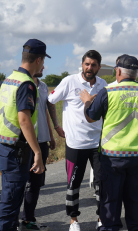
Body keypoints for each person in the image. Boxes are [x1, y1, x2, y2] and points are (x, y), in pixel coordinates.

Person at [80, 54, 138, 231]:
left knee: (110, 200)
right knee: (137, 200)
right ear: (136, 73)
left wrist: (87, 102)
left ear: (117, 71)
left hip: (113, 158)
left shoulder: (108, 92)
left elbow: (91, 118)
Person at [48, 50, 107, 231]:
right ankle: (74, 220)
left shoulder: (103, 84)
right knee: (73, 184)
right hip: (75, 143)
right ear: (82, 64)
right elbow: (50, 100)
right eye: (87, 64)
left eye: (94, 65)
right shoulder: (69, 82)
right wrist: (57, 126)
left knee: (101, 183)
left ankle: (101, 218)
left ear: (99, 67)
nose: (89, 68)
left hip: (97, 143)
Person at [0, 39, 48, 231]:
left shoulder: (9, 79)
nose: (44, 65)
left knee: (8, 197)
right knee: (11, 202)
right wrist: (37, 152)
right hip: (17, 152)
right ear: (38, 60)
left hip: (5, 146)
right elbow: (24, 120)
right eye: (43, 61)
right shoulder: (27, 84)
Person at [20, 66, 62, 231]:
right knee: (18, 183)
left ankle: (28, 220)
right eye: (41, 62)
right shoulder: (23, 84)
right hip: (24, 143)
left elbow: (44, 111)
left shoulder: (43, 86)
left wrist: (51, 135)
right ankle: (10, 221)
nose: (44, 67)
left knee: (35, 183)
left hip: (42, 141)